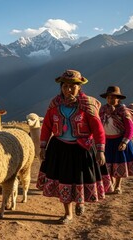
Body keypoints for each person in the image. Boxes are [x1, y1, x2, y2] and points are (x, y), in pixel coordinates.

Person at [36, 69, 112, 224]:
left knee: (80, 179)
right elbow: (46, 127)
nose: (68, 89)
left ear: (79, 87)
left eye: (72, 86)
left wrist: (100, 150)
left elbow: (98, 129)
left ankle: (80, 202)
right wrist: (42, 147)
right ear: (61, 87)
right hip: (59, 149)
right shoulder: (55, 105)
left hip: (82, 149)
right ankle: (67, 213)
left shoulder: (87, 105)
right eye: (65, 86)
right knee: (64, 179)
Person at [99, 86, 133, 194]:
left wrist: (124, 142)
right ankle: (110, 185)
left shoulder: (123, 110)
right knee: (107, 164)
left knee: (119, 164)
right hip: (107, 141)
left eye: (113, 97)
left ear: (118, 98)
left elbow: (130, 128)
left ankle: (118, 186)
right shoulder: (103, 110)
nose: (110, 99)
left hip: (119, 140)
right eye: (109, 97)